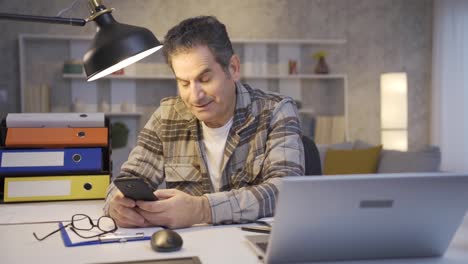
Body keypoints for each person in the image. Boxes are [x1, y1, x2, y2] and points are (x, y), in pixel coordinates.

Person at [104, 16, 304, 228]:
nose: (195, 95)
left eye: (205, 79)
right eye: (184, 83)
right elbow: (129, 178)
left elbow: (285, 190)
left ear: (233, 68)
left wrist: (202, 210)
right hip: (192, 248)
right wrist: (116, 205)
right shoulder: (166, 116)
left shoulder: (276, 111)